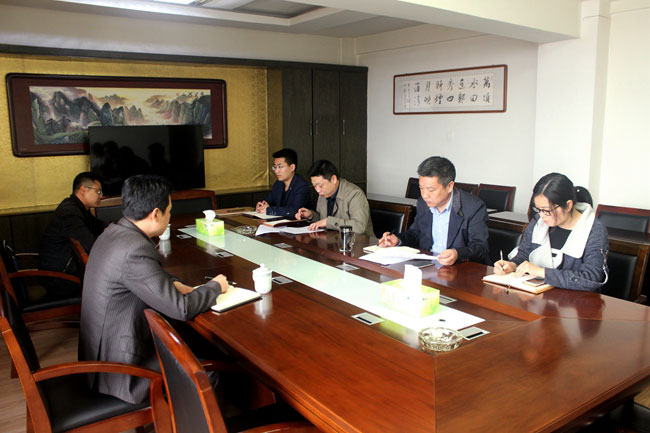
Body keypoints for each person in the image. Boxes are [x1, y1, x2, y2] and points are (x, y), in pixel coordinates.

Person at [79, 174, 228, 404]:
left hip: (103, 353)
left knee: (193, 341)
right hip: (120, 370)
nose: (170, 217)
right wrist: (216, 286)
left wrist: (174, 283)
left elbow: (143, 276)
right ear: (156, 214)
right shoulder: (134, 249)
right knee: (205, 376)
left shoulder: (114, 232)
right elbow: (181, 308)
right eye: (169, 211)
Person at [494, 173, 608, 292]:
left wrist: (542, 272)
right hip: (537, 296)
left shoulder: (594, 230)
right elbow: (524, 254)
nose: (541, 215)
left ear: (568, 205)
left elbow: (591, 277)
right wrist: (513, 265)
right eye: (538, 209)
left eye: (546, 210)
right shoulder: (538, 222)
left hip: (575, 300)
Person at [378, 156, 489, 266]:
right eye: (421, 188)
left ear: (449, 186)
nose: (425, 195)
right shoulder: (423, 203)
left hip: (459, 268)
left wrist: (457, 253)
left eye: (431, 190)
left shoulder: (473, 207)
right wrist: (398, 240)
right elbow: (416, 233)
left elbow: (480, 247)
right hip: (428, 265)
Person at [39, 172, 107, 277]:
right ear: (83, 190)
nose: (101, 196)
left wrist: (114, 228)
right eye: (98, 191)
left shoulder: (78, 207)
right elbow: (89, 244)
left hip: (69, 267)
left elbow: (99, 225)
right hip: (59, 275)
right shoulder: (69, 212)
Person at [295, 160, 374, 236]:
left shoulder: (355, 194)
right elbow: (322, 220)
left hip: (358, 242)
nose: (317, 190)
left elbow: (359, 227)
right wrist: (311, 215)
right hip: (333, 240)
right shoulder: (323, 193)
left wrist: (329, 221)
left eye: (320, 186)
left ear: (333, 179)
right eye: (314, 186)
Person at [255, 148, 310, 218]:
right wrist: (261, 205)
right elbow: (267, 201)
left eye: (280, 167)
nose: (276, 171)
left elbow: (295, 210)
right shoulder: (278, 184)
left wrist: (269, 210)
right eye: (275, 167)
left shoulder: (301, 186)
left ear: (292, 167)